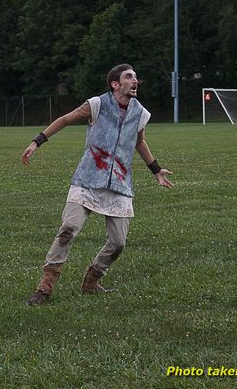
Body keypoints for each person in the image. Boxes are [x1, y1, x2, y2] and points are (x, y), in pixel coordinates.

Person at [22, 63, 173, 306]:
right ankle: (46, 285)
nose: (135, 81)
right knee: (68, 228)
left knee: (118, 243)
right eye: (129, 77)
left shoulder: (141, 113)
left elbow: (139, 142)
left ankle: (91, 281)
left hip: (120, 186)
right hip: (87, 181)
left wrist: (156, 170)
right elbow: (64, 119)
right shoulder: (97, 104)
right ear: (116, 84)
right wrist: (36, 142)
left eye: (136, 77)